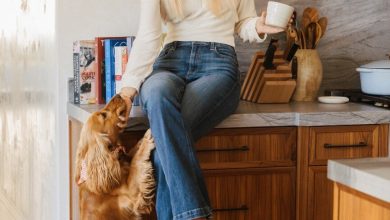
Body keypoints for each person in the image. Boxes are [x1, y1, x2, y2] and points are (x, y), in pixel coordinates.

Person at [119, 0, 287, 219]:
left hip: (218, 63)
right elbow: (148, 34)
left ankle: (192, 214)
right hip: (170, 60)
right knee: (156, 93)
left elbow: (243, 22)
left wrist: (258, 26)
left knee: (163, 149)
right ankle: (194, 214)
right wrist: (127, 91)